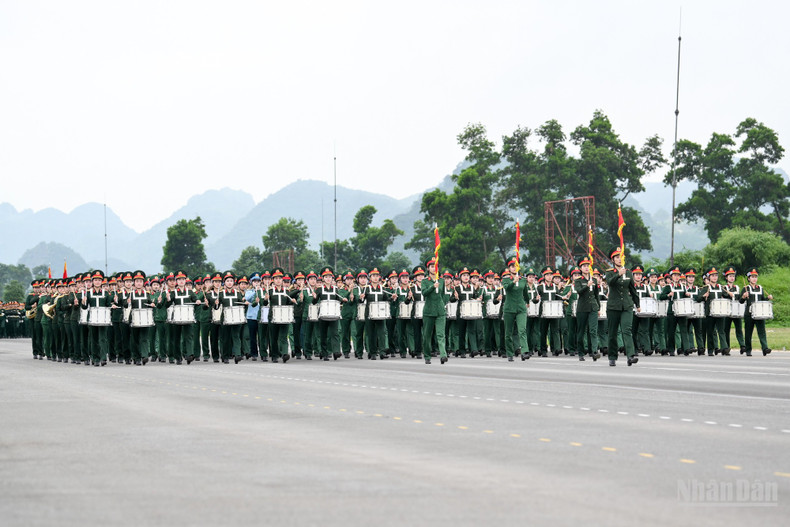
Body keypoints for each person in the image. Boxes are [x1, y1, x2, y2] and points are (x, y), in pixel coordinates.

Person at [604, 248, 640, 367]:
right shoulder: (609, 272)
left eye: (621, 257)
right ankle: (612, 356)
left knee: (627, 330)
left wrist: (637, 304)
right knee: (613, 333)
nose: (619, 259)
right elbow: (610, 282)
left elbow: (632, 289)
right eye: (617, 257)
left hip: (627, 306)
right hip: (613, 306)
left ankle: (630, 355)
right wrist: (618, 274)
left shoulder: (628, 272)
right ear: (613, 259)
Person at [419, 259, 449, 364]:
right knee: (427, 335)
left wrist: (444, 305)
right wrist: (432, 287)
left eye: (435, 266)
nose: (433, 268)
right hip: (429, 311)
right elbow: (424, 293)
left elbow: (444, 295)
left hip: (440, 311)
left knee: (441, 334)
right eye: (431, 266)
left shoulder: (441, 280)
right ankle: (427, 355)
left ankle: (443, 355)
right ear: (428, 268)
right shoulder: (424, 281)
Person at [740, 268, 773, 356]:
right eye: (752, 277)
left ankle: (765, 348)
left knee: (762, 331)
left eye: (755, 277)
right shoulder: (745, 288)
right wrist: (743, 296)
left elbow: (762, 300)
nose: (754, 278)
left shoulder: (760, 288)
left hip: (759, 313)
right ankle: (748, 349)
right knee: (748, 332)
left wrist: (768, 298)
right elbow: (740, 301)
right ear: (749, 278)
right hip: (749, 313)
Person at [574, 257, 601, 361]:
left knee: (593, 330)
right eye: (584, 266)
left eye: (587, 265)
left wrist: (598, 307)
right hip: (582, 308)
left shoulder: (594, 279)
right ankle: (581, 352)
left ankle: (594, 351)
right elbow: (579, 292)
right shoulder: (578, 281)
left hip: (593, 307)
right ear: (580, 268)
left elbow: (596, 294)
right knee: (581, 331)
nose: (586, 267)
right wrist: (587, 286)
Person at [501, 258, 528, 362]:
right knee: (508, 332)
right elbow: (507, 288)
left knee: (522, 330)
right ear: (509, 268)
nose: (514, 268)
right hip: (509, 309)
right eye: (512, 266)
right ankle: (510, 353)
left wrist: (528, 301)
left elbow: (525, 293)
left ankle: (525, 351)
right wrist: (513, 281)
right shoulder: (506, 279)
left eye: (516, 266)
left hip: (521, 308)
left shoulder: (522, 280)